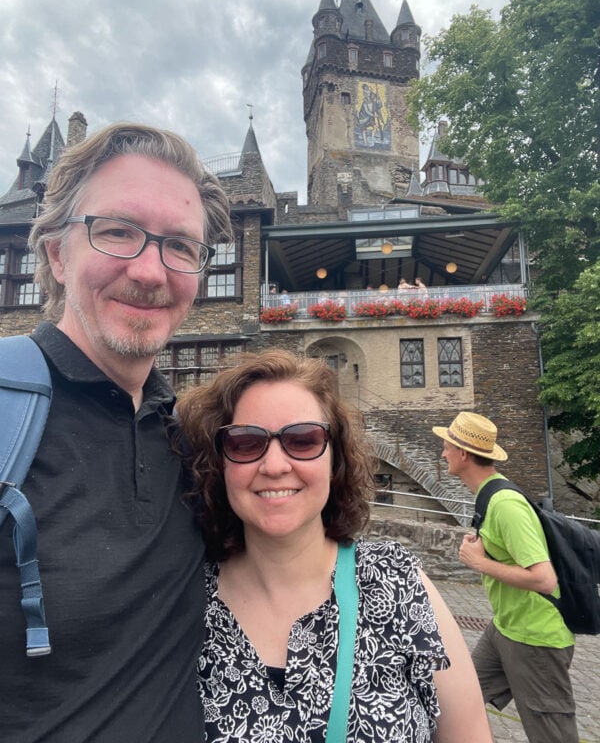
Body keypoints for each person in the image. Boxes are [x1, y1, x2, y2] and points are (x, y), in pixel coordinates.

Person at [0, 122, 232, 742]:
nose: (152, 272)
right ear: (55, 252)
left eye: (180, 246)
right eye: (118, 232)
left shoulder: (191, 439)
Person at [176, 350, 493, 742]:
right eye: (245, 443)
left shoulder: (399, 587)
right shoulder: (183, 605)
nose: (275, 465)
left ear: (335, 458)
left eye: (303, 440)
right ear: (218, 463)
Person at [432, 412, 578, 743]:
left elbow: (544, 579)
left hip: (536, 638)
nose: (443, 453)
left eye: (446, 446)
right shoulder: (488, 497)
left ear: (464, 453)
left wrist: (479, 562)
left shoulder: (506, 504)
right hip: (506, 628)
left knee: (553, 735)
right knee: (453, 701)